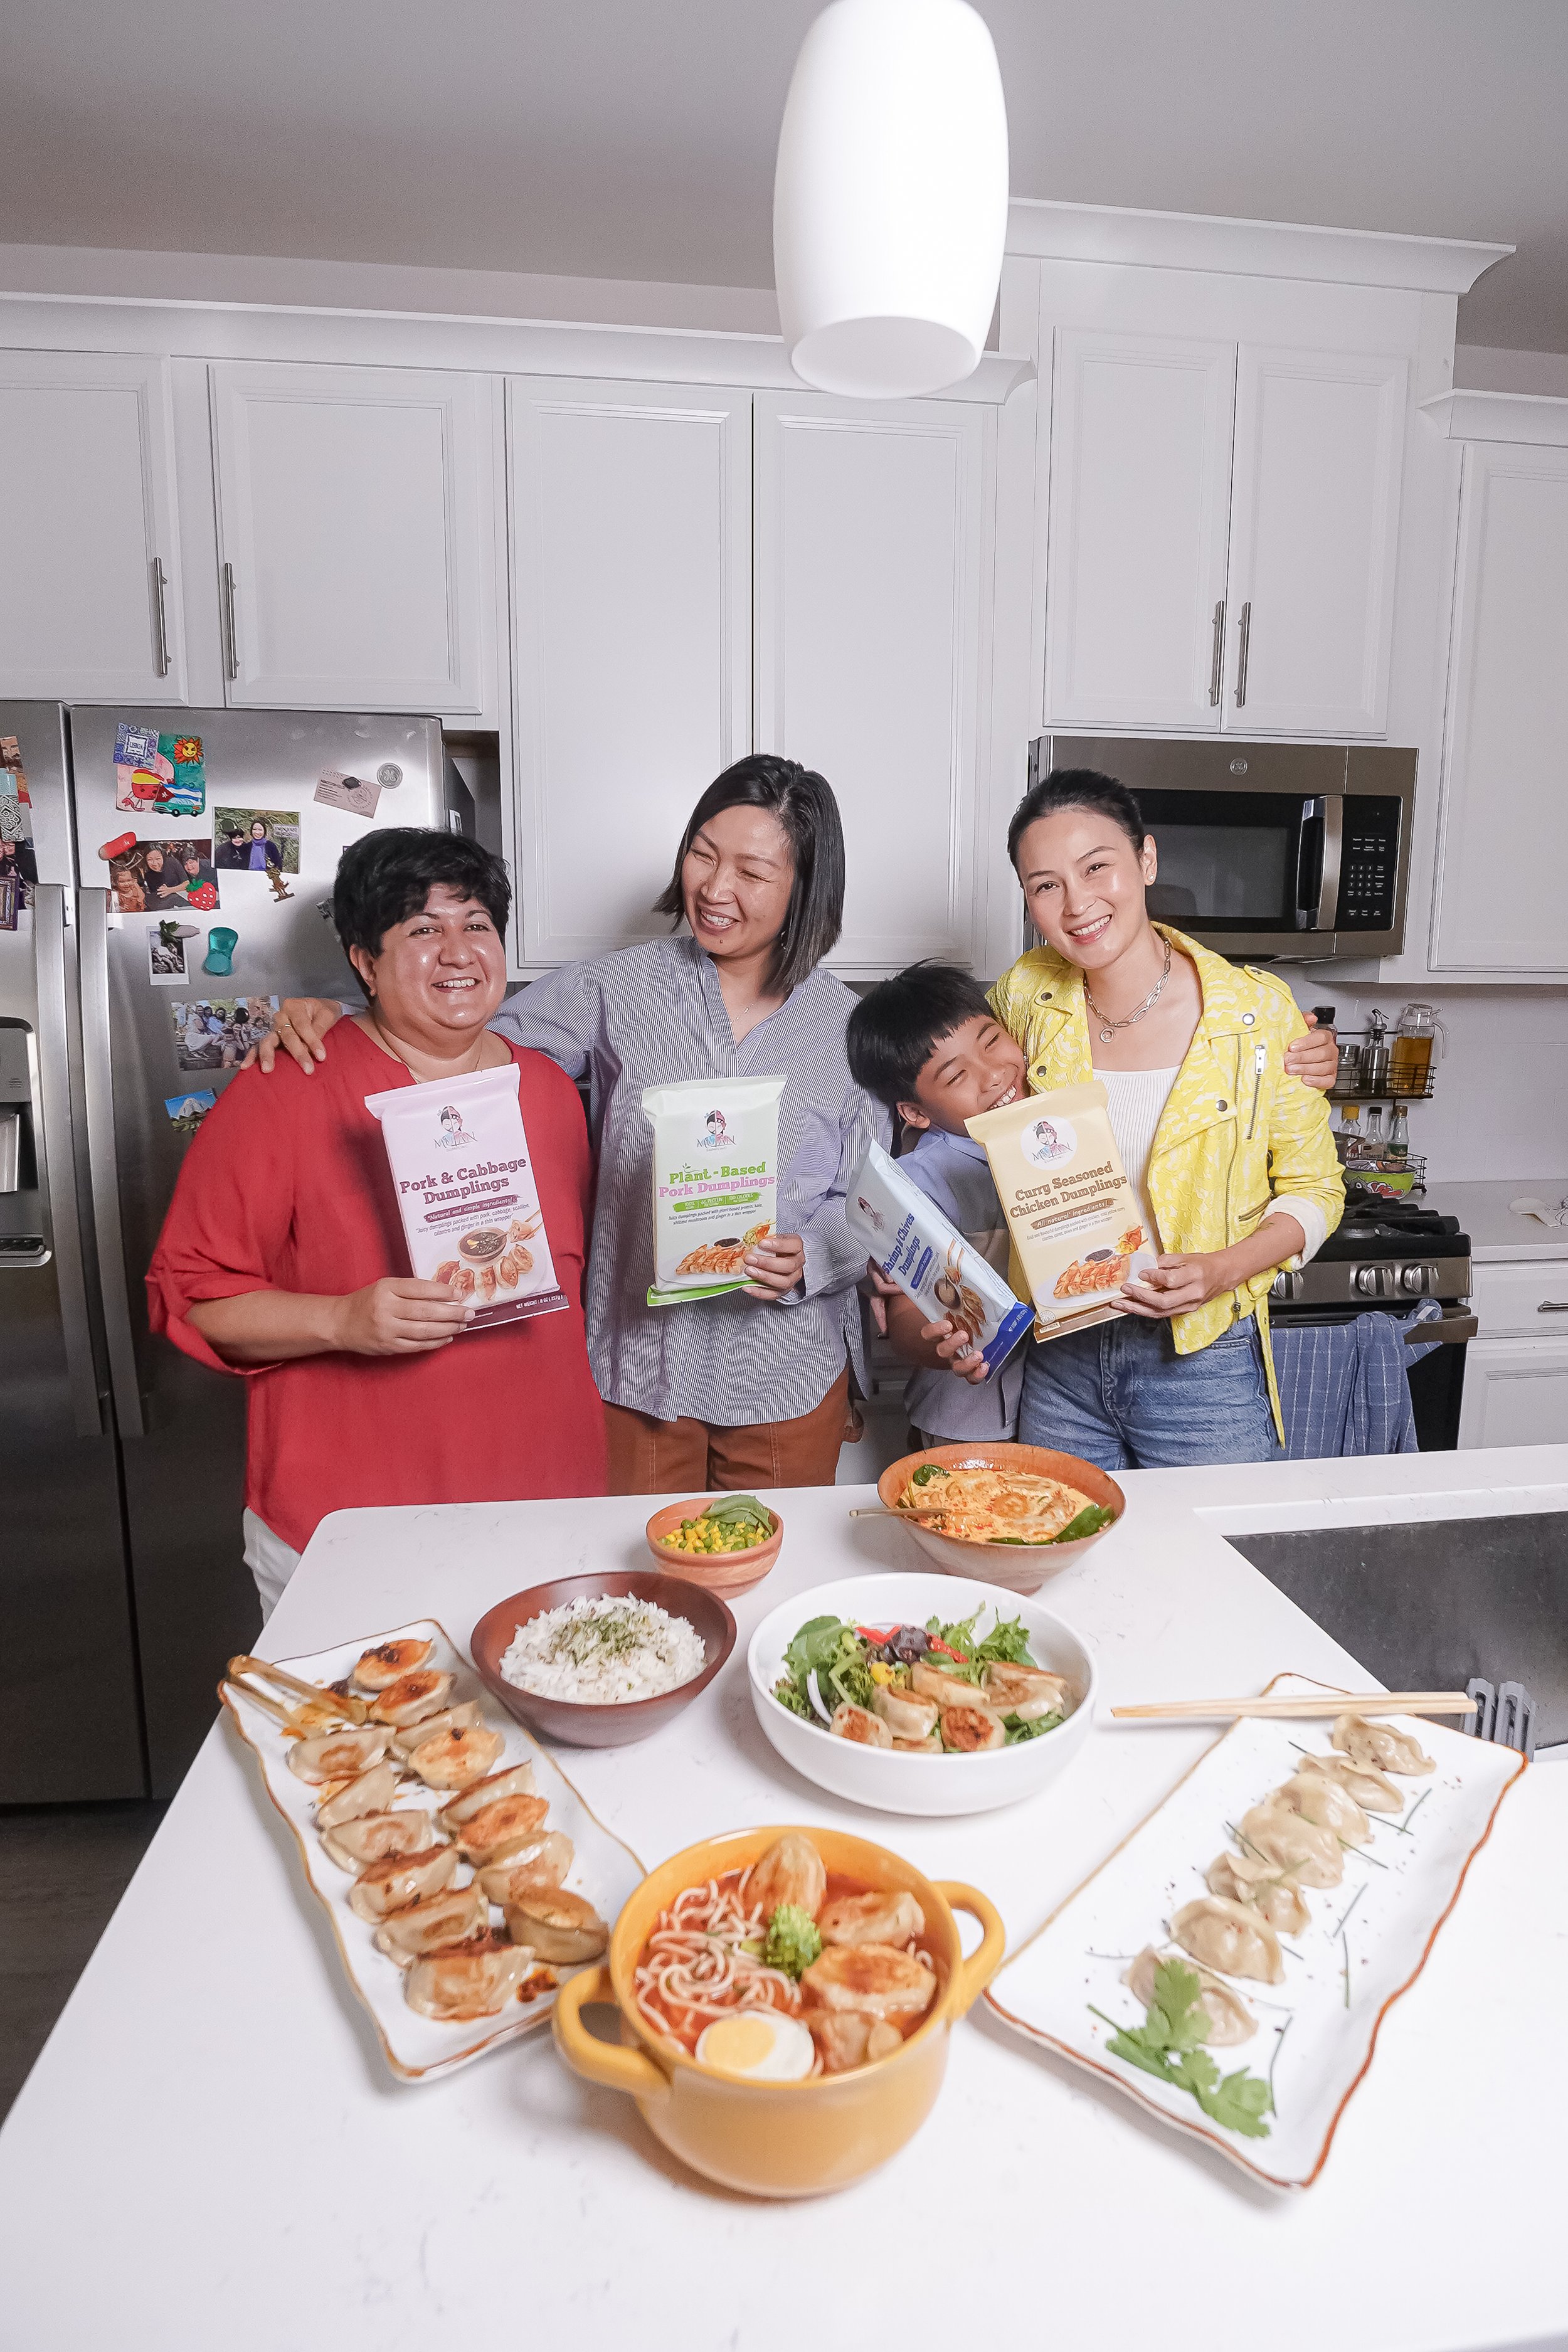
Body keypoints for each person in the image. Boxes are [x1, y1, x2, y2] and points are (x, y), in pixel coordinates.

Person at [250, 757, 881, 1495]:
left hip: (785, 1373)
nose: (714, 888)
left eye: (751, 871)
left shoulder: (851, 1028)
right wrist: (349, 1018)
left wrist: (810, 1255)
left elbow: (869, 1202)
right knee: (639, 1591)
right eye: (703, 853)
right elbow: (455, 1042)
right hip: (638, 1366)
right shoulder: (618, 985)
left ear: (804, 887)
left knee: (777, 1581)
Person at [147, 829, 605, 1617]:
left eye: (477, 925)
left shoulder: (549, 1091)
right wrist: (342, 1319)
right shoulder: (287, 1086)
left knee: (533, 1739)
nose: (458, 951)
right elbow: (194, 1301)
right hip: (351, 1523)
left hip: (546, 1505)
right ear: (364, 959)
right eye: (424, 930)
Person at [962, 766, 1344, 1470]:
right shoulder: (1025, 997)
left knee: (1216, 1567)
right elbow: (963, 1104)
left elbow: (1317, 1192)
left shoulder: (1256, 1014)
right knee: (1068, 1562)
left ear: (1146, 859)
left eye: (1096, 867)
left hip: (1199, 1361)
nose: (1076, 905)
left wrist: (1222, 1270)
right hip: (1062, 1355)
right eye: (1046, 886)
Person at [846, 965, 1032, 1449]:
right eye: (956, 1076)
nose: (993, 1076)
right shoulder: (920, 1183)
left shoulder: (1057, 1128)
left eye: (991, 1042)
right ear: (916, 1112)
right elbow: (904, 1316)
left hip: (1063, 1405)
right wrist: (942, 1341)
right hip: (968, 1423)